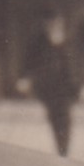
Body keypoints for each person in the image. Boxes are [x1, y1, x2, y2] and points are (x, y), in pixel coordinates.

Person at [25, 8, 78, 156]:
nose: (54, 26)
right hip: (48, 87)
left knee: (64, 120)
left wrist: (79, 85)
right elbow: (31, 62)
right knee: (54, 119)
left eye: (57, 23)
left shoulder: (66, 42)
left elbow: (73, 66)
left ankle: (63, 151)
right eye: (52, 23)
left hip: (64, 88)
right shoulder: (39, 43)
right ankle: (59, 149)